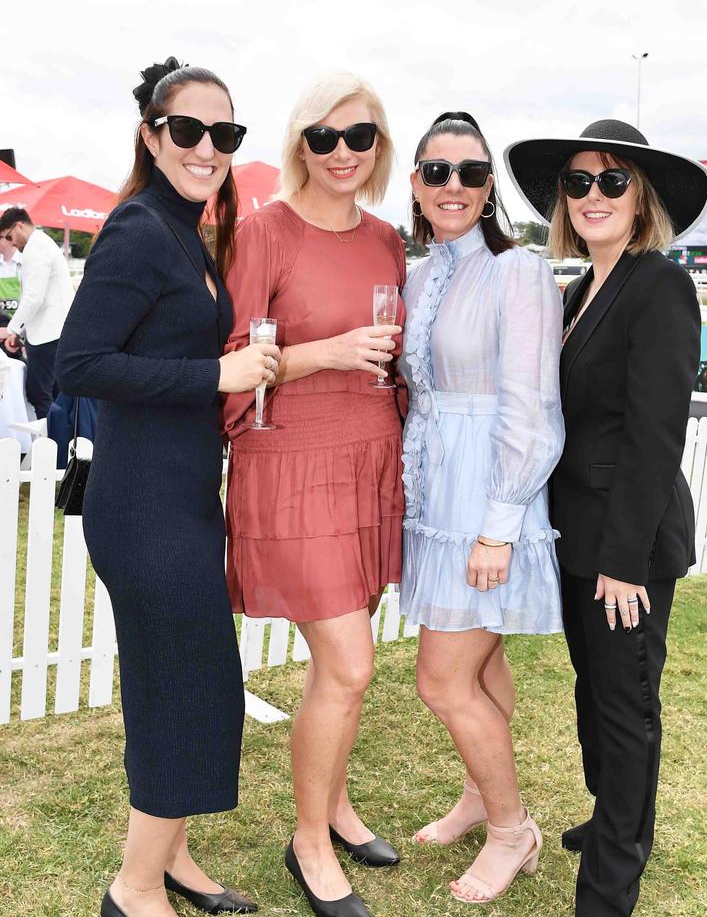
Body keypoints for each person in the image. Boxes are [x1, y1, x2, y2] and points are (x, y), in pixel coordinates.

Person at [56, 57, 279, 917]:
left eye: (224, 134)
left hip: (181, 499)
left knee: (178, 685)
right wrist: (214, 376)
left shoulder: (187, 229)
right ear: (153, 136)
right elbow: (81, 363)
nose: (208, 147)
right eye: (189, 130)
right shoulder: (139, 228)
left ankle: (173, 860)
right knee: (191, 688)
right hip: (143, 507)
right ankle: (134, 886)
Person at [505, 118, 707, 917]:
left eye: (612, 181)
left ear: (641, 198)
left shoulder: (658, 284)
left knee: (626, 708)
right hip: (573, 538)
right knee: (596, 692)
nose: (593, 194)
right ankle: (611, 818)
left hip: (629, 546)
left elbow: (657, 434)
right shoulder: (577, 291)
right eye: (578, 182)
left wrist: (623, 559)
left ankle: (612, 880)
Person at [222, 72, 404, 917]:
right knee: (352, 662)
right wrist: (323, 353)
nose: (340, 153)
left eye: (357, 137)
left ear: (378, 147)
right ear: (299, 145)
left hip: (369, 459)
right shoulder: (263, 232)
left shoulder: (389, 240)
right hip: (294, 465)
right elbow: (229, 369)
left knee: (348, 670)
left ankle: (334, 805)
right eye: (322, 137)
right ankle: (308, 840)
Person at [400, 112, 565, 904]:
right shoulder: (421, 273)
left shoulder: (519, 271)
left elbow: (531, 404)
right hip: (438, 492)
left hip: (493, 497)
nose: (454, 186)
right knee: (481, 661)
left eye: (470, 172)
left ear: (489, 186)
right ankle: (478, 794)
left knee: (443, 679)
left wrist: (501, 523)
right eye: (438, 172)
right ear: (417, 184)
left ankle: (513, 831)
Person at [0, 207, 74, 418]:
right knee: (55, 393)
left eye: (9, 236)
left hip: (47, 335)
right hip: (53, 332)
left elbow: (33, 297)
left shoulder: (36, 249)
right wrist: (19, 334)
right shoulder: (43, 243)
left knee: (39, 394)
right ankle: (60, 441)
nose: (11, 243)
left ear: (19, 225)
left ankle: (51, 444)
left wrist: (10, 329)